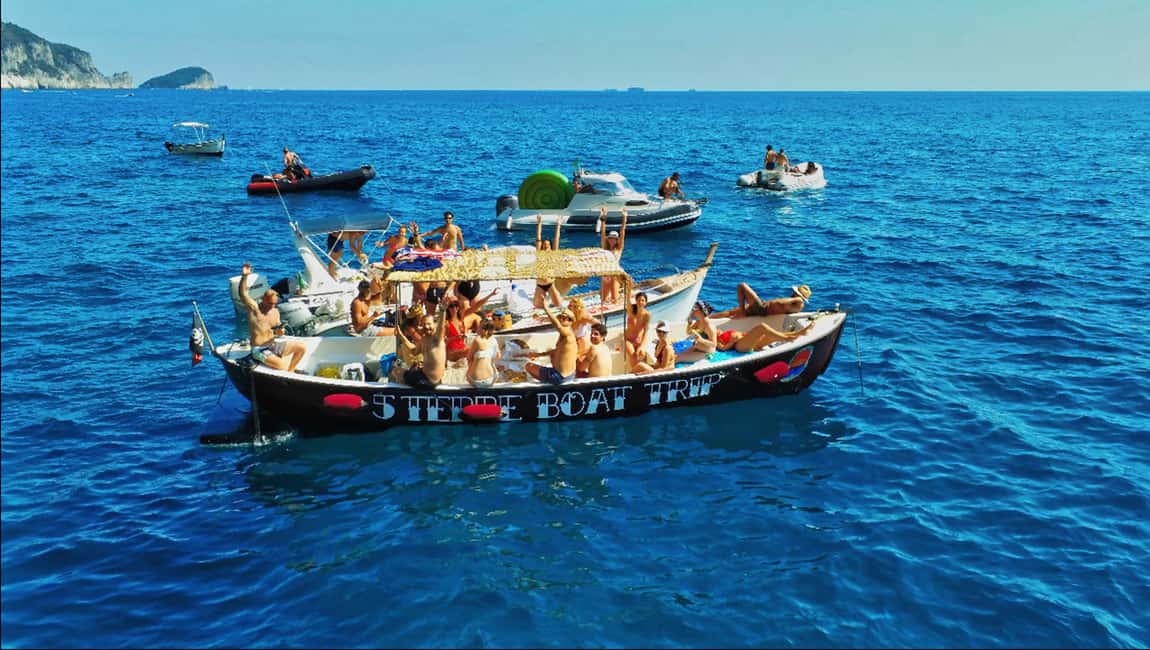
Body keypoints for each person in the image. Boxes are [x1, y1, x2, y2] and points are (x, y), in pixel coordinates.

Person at [238, 263, 306, 372]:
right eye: (270, 303)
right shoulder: (254, 309)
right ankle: (286, 368)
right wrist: (245, 276)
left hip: (273, 345)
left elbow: (277, 332)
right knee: (282, 365)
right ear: (263, 299)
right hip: (259, 349)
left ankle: (291, 372)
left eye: (274, 304)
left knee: (301, 347)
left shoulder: (275, 311)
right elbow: (243, 294)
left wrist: (280, 331)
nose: (272, 306)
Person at [525, 304, 579, 385]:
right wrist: (538, 354)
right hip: (570, 375)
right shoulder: (568, 334)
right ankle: (547, 381)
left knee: (528, 366)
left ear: (570, 321)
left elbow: (557, 325)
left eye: (565, 318)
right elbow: (556, 351)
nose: (562, 319)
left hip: (559, 377)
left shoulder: (567, 333)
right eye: (561, 317)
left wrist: (545, 308)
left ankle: (545, 384)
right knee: (552, 355)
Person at [397, 305, 448, 388]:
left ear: (435, 324)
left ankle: (406, 392)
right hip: (424, 376)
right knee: (401, 371)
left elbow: (441, 327)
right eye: (424, 324)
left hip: (429, 380)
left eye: (429, 324)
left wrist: (443, 310)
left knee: (396, 372)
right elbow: (414, 351)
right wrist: (401, 336)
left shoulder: (437, 338)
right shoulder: (424, 338)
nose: (426, 327)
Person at [713, 284, 812, 318]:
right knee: (731, 312)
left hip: (763, 308)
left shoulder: (797, 301)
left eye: (794, 293)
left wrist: (797, 298)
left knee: (742, 286)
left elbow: (781, 302)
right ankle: (707, 319)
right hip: (763, 307)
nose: (792, 293)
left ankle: (742, 312)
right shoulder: (796, 305)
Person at [533, 214, 564, 309]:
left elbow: (556, 239)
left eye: (548, 245)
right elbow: (538, 239)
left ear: (551, 247)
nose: (545, 246)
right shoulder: (539, 254)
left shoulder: (553, 254)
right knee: (537, 306)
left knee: (559, 305)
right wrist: (539, 223)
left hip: (550, 284)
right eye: (544, 245)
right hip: (540, 285)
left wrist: (558, 225)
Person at [599, 207, 628, 305]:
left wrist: (624, 218)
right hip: (605, 275)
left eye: (614, 239)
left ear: (617, 240)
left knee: (614, 299)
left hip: (615, 275)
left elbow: (622, 232)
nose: (612, 240)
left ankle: (621, 297)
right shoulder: (605, 248)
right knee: (603, 301)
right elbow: (603, 232)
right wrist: (604, 216)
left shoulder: (619, 249)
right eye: (610, 238)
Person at [733, 320, 815, 353]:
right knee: (761, 327)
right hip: (738, 346)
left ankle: (799, 332)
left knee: (772, 334)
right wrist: (732, 342)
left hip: (748, 342)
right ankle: (787, 339)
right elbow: (724, 347)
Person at [466, 319, 502, 388]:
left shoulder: (477, 340)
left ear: (486, 330)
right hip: (492, 379)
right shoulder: (494, 340)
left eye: (480, 327)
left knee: (472, 362)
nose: (477, 329)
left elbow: (469, 358)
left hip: (476, 380)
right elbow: (498, 356)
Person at [389, 316, 423, 383]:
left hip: (421, 370)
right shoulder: (403, 346)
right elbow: (400, 358)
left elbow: (413, 349)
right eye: (406, 329)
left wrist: (401, 335)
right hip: (410, 370)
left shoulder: (423, 341)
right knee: (394, 371)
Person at [624, 291, 651, 369]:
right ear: (635, 301)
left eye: (643, 300)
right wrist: (629, 288)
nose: (640, 302)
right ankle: (634, 373)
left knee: (642, 355)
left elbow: (645, 331)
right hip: (628, 340)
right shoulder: (631, 310)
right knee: (633, 356)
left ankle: (639, 372)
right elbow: (627, 299)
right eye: (638, 300)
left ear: (646, 302)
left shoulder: (647, 315)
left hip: (639, 341)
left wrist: (642, 345)